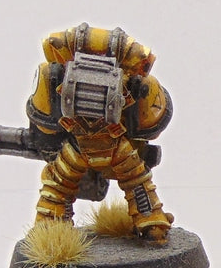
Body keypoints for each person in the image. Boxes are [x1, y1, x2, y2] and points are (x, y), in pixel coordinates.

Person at [27, 23, 175, 241]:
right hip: (114, 145)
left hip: (80, 147)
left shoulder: (57, 76)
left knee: (58, 183)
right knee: (136, 180)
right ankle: (151, 221)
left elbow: (45, 126)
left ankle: (51, 225)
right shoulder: (132, 83)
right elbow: (152, 128)